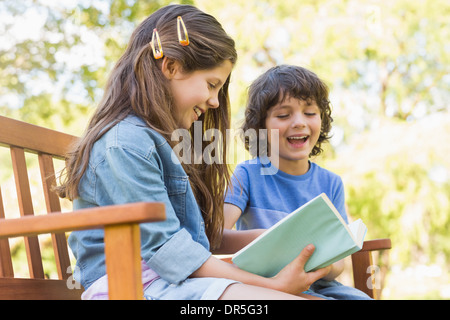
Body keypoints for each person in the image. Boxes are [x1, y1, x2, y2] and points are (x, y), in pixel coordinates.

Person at [56, 5, 330, 300]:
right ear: (171, 66)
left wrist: (275, 238)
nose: (215, 101)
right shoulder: (125, 144)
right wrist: (271, 286)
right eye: (212, 85)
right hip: (134, 287)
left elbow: (195, 241)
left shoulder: (165, 141)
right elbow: (171, 252)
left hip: (176, 283)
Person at [224, 65, 372, 300]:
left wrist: (322, 265)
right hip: (265, 284)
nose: (299, 122)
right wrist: (270, 239)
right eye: (284, 115)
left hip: (319, 283)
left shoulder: (331, 183)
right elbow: (216, 235)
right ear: (261, 127)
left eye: (310, 113)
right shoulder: (247, 174)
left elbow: (339, 264)